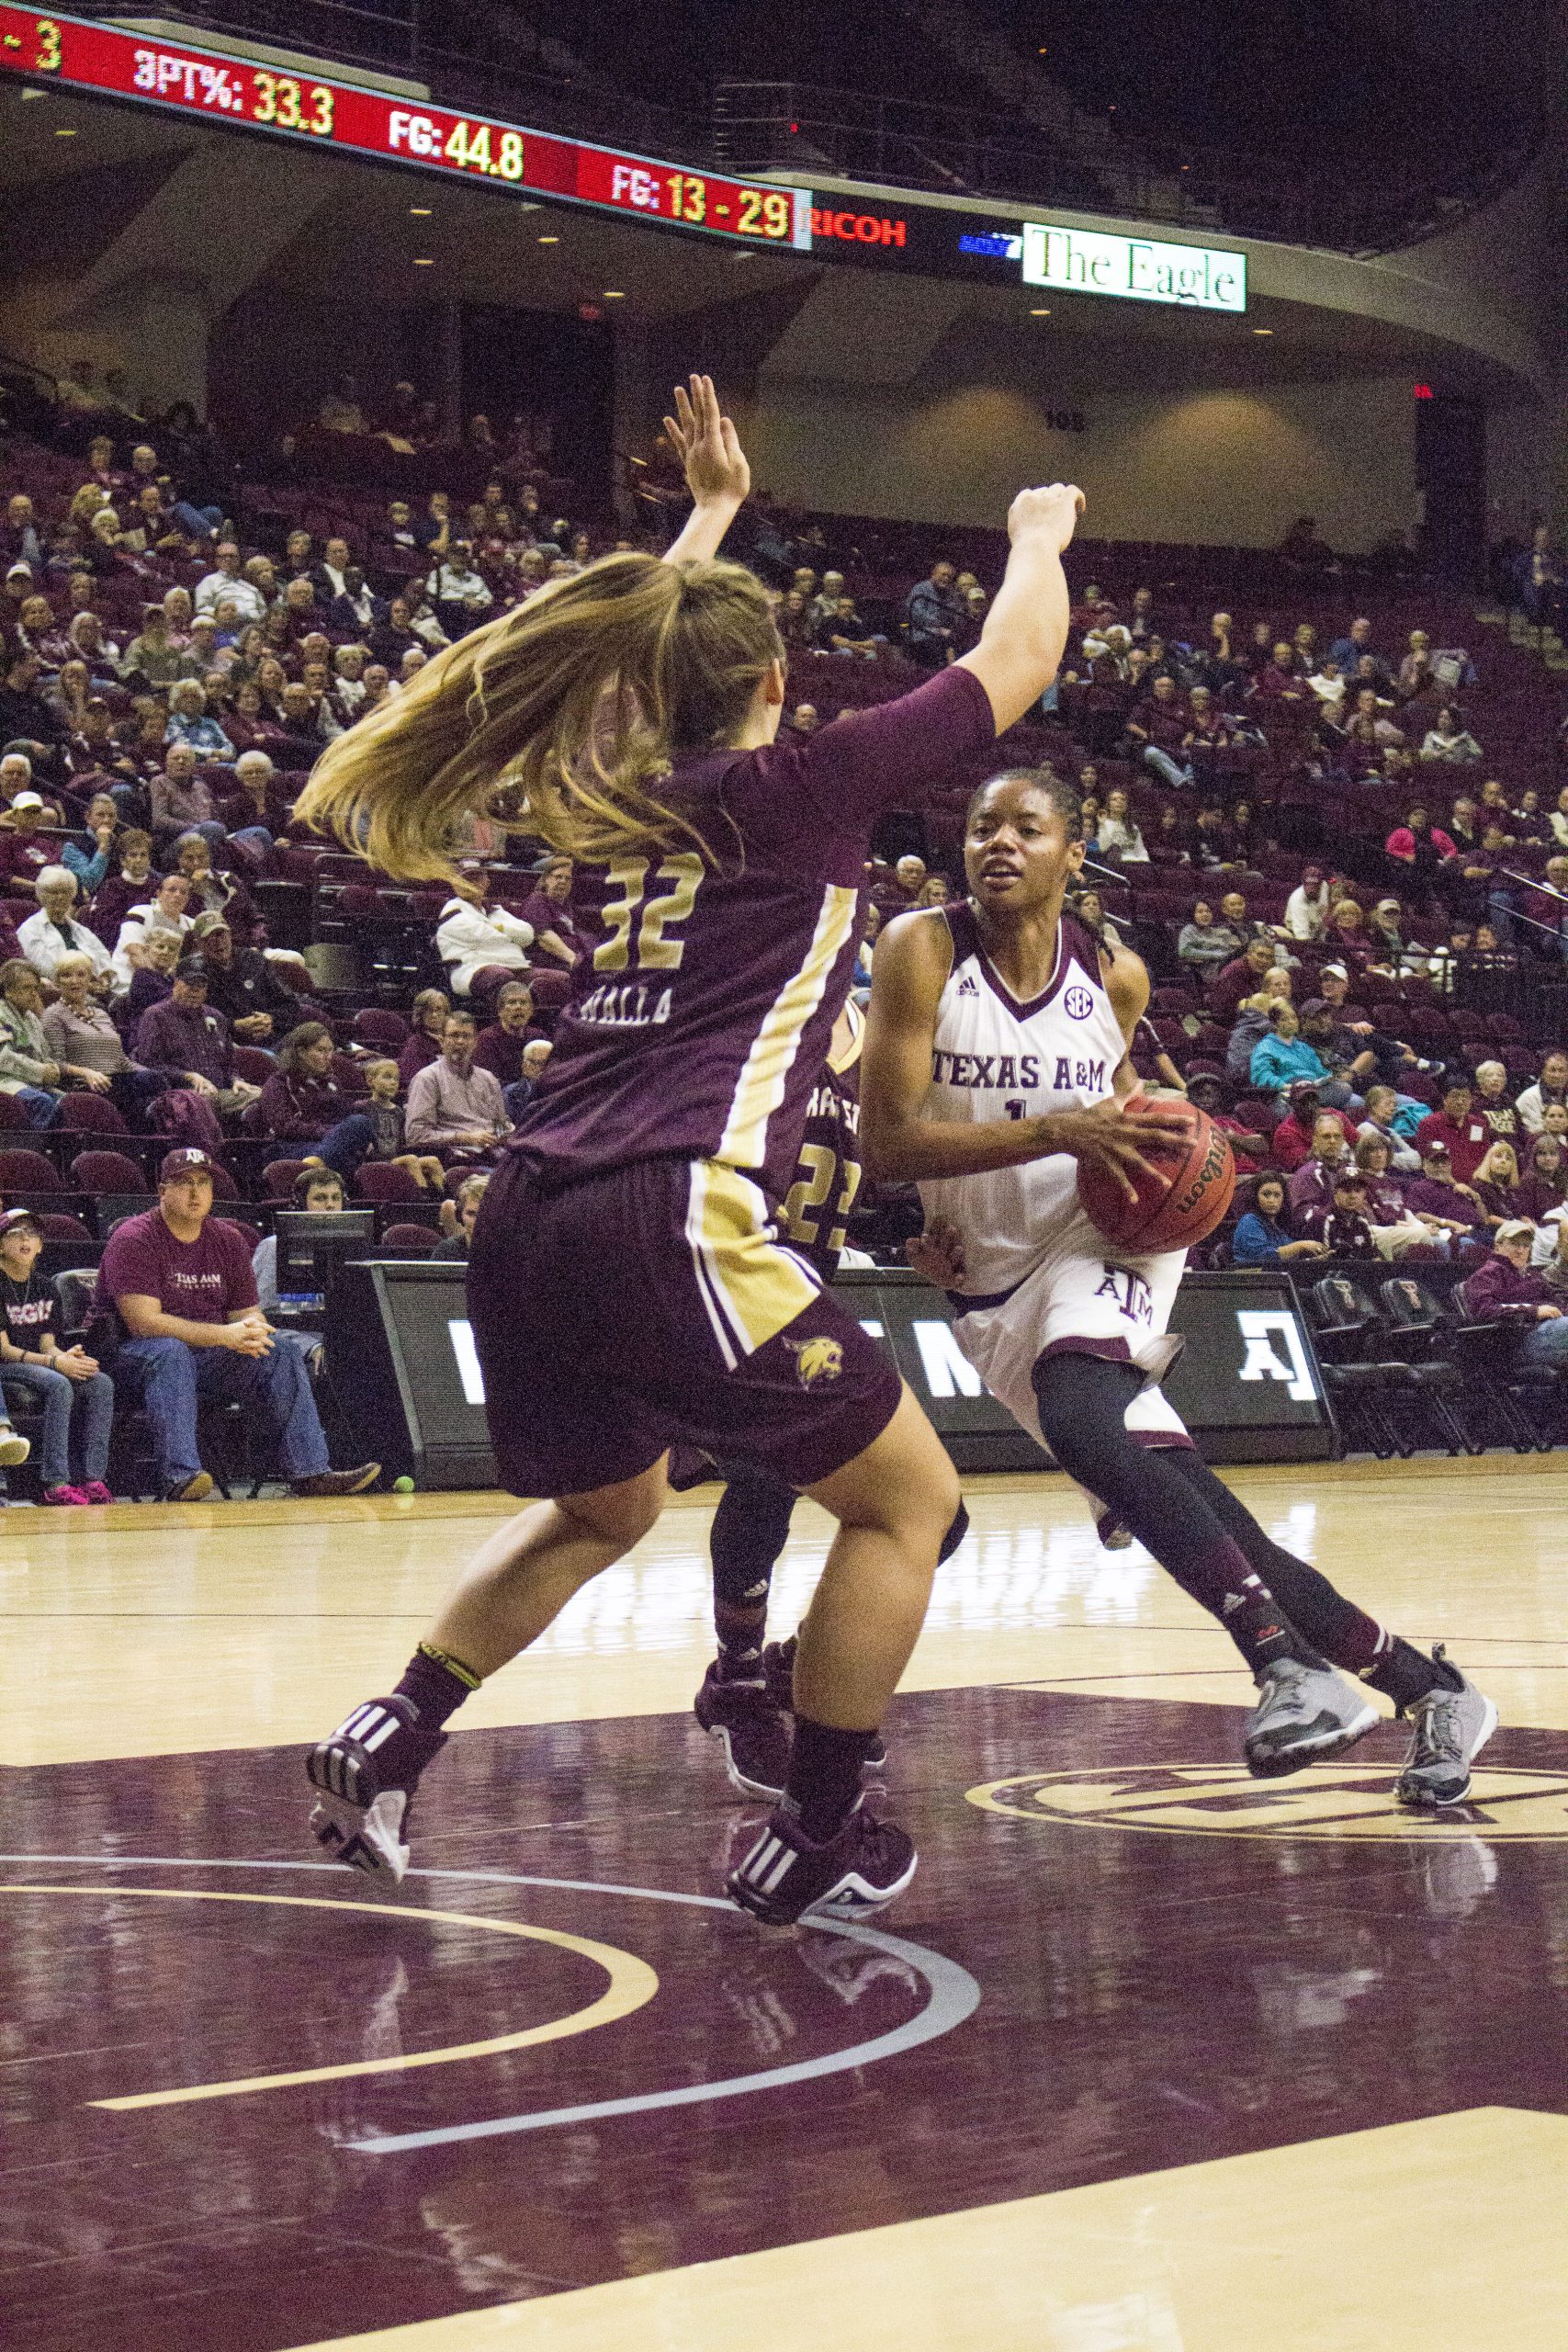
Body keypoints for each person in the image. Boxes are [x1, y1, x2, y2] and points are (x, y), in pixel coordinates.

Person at [299, 375, 1074, 1924]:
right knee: (911, 1508)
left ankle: (387, 1739)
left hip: (526, 1202)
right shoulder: (803, 786)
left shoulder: (619, 792)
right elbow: (1014, 658)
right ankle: (821, 1823)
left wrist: (711, 514)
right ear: (778, 681)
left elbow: (608, 657)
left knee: (605, 1507)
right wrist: (1038, 532)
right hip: (670, 1203)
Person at [861, 764, 1495, 1810]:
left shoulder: (1114, 977)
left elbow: (1122, 1118)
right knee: (1208, 1521)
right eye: (982, 827)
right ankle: (1432, 1693)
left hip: (1106, 1237)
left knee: (1082, 1409)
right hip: (988, 1284)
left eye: (1027, 827)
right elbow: (887, 1141)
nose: (999, 844)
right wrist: (946, 1213)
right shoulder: (921, 949)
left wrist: (1125, 1139)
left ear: (1075, 850)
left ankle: (1287, 1672)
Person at [94, 1148, 378, 1502]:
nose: (195, 1193)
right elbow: (143, 1323)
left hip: (206, 1354)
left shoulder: (227, 1239)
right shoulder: (136, 1238)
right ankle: (181, 1476)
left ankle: (311, 1472)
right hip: (131, 1357)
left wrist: (253, 1330)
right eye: (184, 1183)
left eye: (203, 1182)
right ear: (162, 1190)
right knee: (170, 1351)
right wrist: (226, 1335)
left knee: (280, 1351)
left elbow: (247, 1313)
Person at [0, 1208, 115, 1505]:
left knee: (99, 1382)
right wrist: (55, 1363)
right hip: (7, 1367)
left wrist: (68, 1357)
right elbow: (5, 1350)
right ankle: (55, 1482)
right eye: (15, 1233)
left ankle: (92, 1478)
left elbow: (47, 1344)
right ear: (1, 1244)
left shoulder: (45, 1286)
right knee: (58, 1383)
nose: (25, 1239)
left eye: (32, 1234)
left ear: (40, 1245)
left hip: (37, 1363)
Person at [39, 951, 167, 1124]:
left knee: (155, 1082)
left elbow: (121, 1060)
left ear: (89, 980)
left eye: (81, 974)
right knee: (145, 1102)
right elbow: (55, 1063)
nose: (74, 980)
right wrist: (87, 1073)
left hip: (117, 1080)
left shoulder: (101, 1013)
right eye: (66, 975)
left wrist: (149, 1073)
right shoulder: (53, 1015)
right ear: (57, 981)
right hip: (84, 1085)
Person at [132, 953, 261, 1121]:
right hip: (181, 1095)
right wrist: (187, 1075)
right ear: (176, 983)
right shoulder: (156, 1016)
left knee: (266, 1095)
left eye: (201, 985)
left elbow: (229, 1062)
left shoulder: (216, 1016)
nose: (195, 990)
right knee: (201, 1101)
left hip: (220, 1091)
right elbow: (148, 1063)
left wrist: (236, 1079)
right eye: (190, 984)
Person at [310, 1057, 446, 1192]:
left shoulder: (399, 1112)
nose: (393, 1082)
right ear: (370, 1080)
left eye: (396, 1079)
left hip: (394, 1160)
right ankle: (421, 1200)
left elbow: (401, 1143)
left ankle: (440, 1197)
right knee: (410, 1160)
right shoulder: (361, 1107)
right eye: (387, 1077)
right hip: (370, 1162)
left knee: (432, 1161)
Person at [404, 1009, 510, 1161]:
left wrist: (504, 1133)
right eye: (454, 1035)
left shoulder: (489, 1079)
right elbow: (415, 1135)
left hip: (495, 1153)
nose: (460, 1041)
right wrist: (465, 1138)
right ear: (442, 1041)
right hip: (459, 1156)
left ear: (475, 1042)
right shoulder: (427, 1079)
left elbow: (500, 1124)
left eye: (466, 1036)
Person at [1461, 1221, 1568, 1369]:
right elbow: (1485, 1311)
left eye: (1525, 1246)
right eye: (1514, 1244)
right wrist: (1535, 1311)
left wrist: (1553, 1310)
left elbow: (1561, 1305)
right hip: (1515, 1343)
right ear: (1498, 1246)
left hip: (1551, 1333)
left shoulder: (1533, 1276)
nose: (1520, 1250)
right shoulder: (1487, 1275)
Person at [434, 874, 535, 999]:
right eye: (464, 881)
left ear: (486, 883)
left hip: (516, 966)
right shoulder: (452, 911)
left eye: (476, 879)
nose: (470, 885)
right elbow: (483, 936)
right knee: (501, 976)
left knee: (557, 978)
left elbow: (528, 935)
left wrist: (500, 928)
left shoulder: (495, 910)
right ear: (455, 885)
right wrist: (513, 937)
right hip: (473, 969)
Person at [17, 866, 114, 987]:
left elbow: (103, 955)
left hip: (95, 989)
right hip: (61, 991)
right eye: (53, 892)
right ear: (41, 895)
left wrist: (103, 976)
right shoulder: (30, 930)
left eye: (65, 892)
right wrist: (84, 981)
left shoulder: (80, 929)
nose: (60, 897)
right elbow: (44, 968)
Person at [1230, 1174, 1328, 1267]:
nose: (1271, 1200)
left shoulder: (1278, 1227)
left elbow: (1288, 1258)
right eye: (1266, 1194)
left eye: (1277, 1195)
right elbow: (1264, 1257)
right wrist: (1301, 1245)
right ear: (1255, 1197)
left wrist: (1314, 1260)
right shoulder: (1249, 1221)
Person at [433, 1171, 490, 1261]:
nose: (478, 1221)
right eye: (471, 1214)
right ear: (459, 1215)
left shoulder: (512, 1249)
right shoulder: (447, 1250)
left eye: (485, 1213)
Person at [1516, 1050, 1568, 1135]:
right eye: (1552, 1070)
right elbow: (1535, 1130)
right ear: (1543, 1072)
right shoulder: (1529, 1097)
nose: (1557, 1075)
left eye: (1562, 1070)